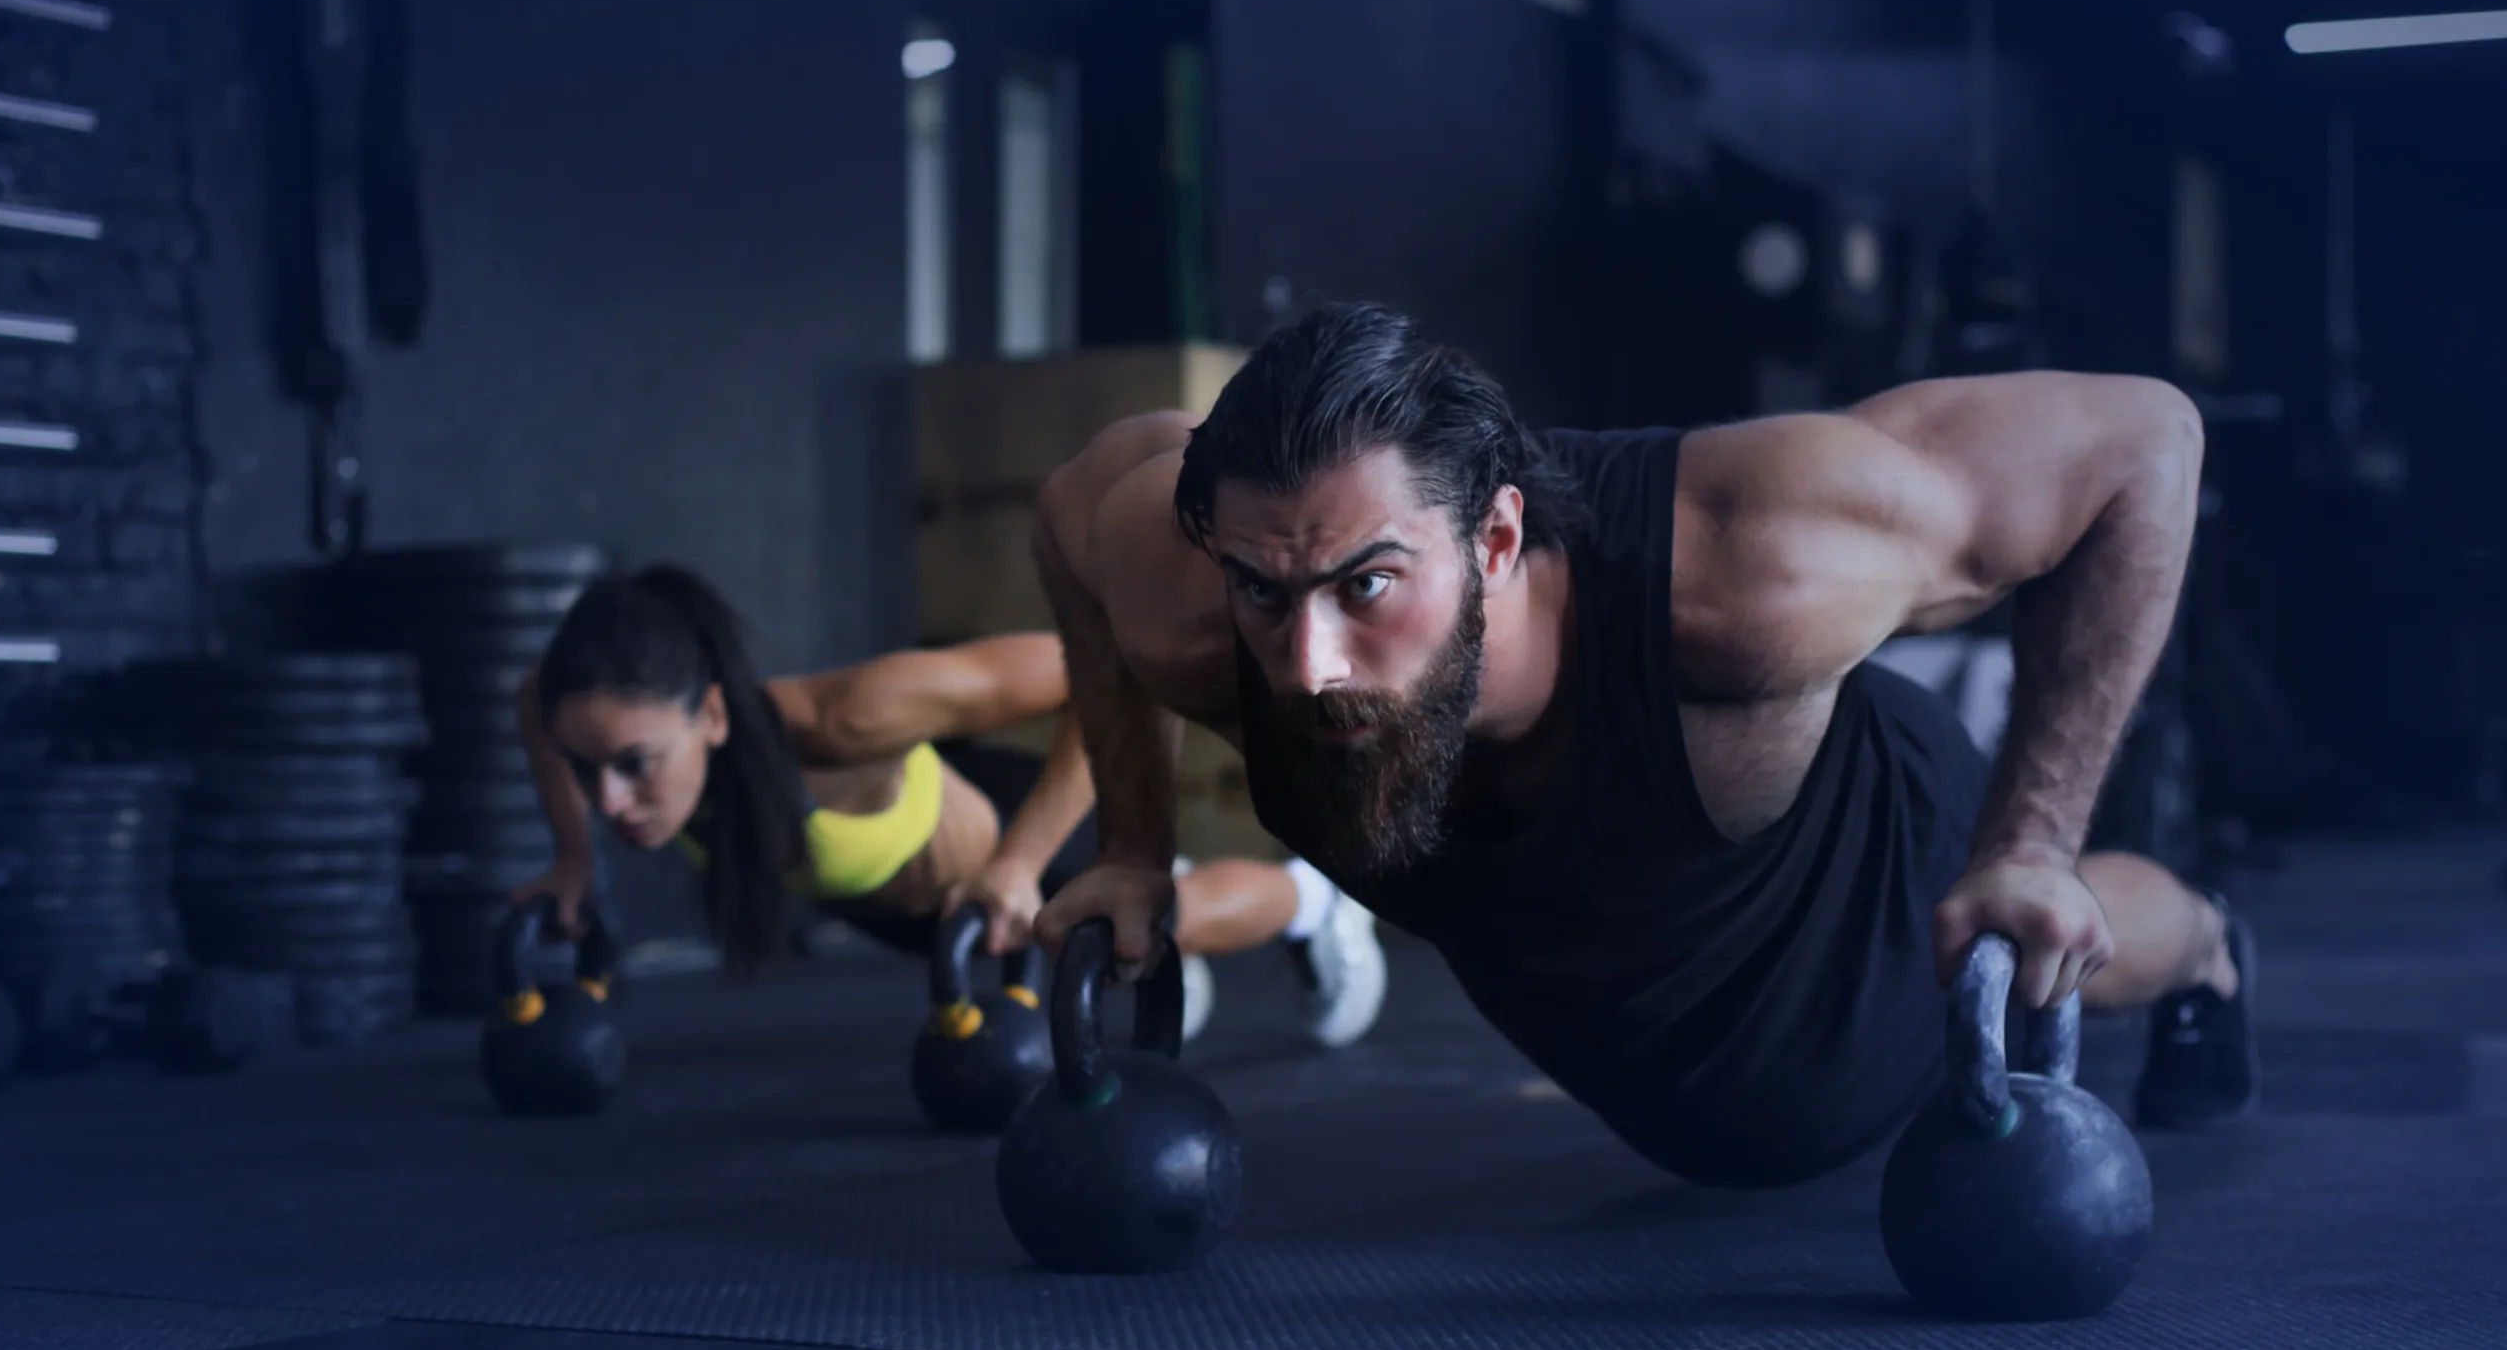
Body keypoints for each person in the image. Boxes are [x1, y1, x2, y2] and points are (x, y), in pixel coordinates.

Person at [1031, 302, 2256, 1190]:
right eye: (1262, 590)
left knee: (2044, 927)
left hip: (1847, 911)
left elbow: (2145, 439)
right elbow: (1064, 511)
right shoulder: (1191, 586)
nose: (1309, 664)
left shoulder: (1749, 565)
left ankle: (2204, 945)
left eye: (1370, 585)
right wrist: (1131, 847)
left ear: (1498, 541)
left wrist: (2032, 841)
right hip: (1614, 1007)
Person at [509, 562, 1388, 1046]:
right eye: (589, 773)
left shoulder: (847, 718)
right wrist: (572, 858)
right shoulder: (585, 723)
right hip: (909, 908)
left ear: (708, 713)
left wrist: (1015, 865)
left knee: (1154, 918)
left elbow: (1114, 674)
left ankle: (1319, 905)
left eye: (634, 765)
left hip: (1005, 851)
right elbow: (535, 701)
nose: (612, 800)